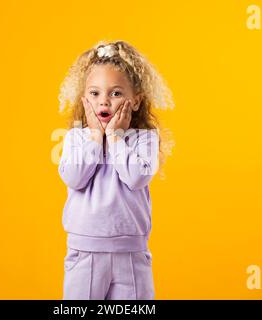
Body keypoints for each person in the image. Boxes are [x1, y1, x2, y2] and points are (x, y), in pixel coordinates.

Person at [58, 40, 174, 300]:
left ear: (135, 101)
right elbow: (74, 178)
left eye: (116, 93)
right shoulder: (77, 138)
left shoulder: (144, 139)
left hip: (130, 253)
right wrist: (95, 137)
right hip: (84, 251)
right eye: (95, 93)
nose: (105, 102)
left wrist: (115, 138)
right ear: (84, 99)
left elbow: (136, 178)